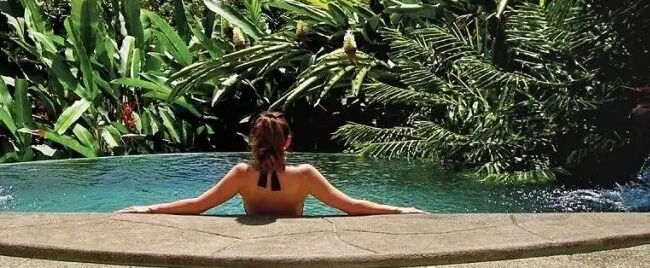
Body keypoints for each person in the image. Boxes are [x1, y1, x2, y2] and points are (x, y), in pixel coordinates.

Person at [117, 111, 426, 216]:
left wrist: (149, 208)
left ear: (254, 141)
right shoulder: (305, 176)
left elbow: (198, 205)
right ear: (288, 142)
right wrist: (400, 209)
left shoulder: (241, 175)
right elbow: (352, 206)